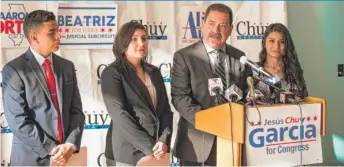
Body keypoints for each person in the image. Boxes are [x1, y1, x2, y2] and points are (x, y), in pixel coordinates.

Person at [2, 10, 85, 166]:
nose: (59, 36)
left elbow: (76, 111)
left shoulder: (67, 66)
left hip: (67, 158)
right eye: (51, 33)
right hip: (30, 160)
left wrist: (70, 144)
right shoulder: (14, 70)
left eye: (58, 31)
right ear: (34, 37)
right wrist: (53, 150)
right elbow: (18, 120)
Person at [171, 3, 249, 166]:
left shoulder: (240, 57)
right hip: (197, 145)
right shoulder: (184, 57)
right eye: (212, 24)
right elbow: (180, 98)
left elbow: (246, 93)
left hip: (233, 142)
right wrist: (210, 122)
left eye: (223, 25)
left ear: (230, 29)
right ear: (203, 24)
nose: (216, 30)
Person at [101, 20, 173, 166]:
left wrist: (163, 140)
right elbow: (120, 115)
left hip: (158, 150)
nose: (141, 43)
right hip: (128, 153)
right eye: (134, 39)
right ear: (123, 43)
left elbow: (165, 110)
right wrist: (150, 146)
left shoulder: (154, 72)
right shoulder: (112, 73)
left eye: (144, 38)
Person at [255, 23, 308, 102]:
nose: (277, 46)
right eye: (272, 41)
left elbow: (305, 102)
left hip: (290, 114)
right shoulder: (254, 70)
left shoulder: (294, 71)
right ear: (264, 43)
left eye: (282, 42)